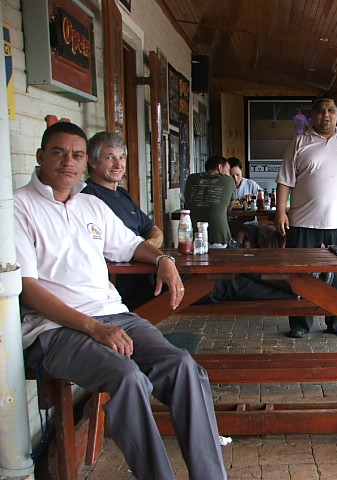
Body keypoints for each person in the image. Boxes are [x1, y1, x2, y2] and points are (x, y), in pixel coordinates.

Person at [14, 122, 227, 480]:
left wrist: (163, 260)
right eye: (58, 153)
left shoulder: (90, 205)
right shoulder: (18, 207)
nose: (68, 162)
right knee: (128, 378)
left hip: (113, 315)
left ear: (85, 162)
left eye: (76, 155)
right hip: (54, 329)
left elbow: (131, 245)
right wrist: (94, 328)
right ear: (40, 156)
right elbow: (27, 289)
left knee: (183, 368)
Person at [275, 96, 337, 338]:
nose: (326, 115)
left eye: (331, 110)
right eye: (321, 111)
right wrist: (281, 211)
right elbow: (285, 180)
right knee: (301, 275)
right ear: (313, 114)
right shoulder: (300, 141)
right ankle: (300, 324)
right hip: (303, 221)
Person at [82, 131, 162, 310]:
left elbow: (154, 229)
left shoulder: (123, 194)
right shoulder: (87, 197)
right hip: (125, 281)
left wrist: (144, 250)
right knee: (214, 286)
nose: (118, 164)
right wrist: (141, 252)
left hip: (147, 269)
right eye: (110, 157)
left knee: (213, 280)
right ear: (92, 161)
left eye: (122, 157)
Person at [184, 155, 236, 246]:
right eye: (228, 170)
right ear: (220, 167)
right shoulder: (228, 180)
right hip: (218, 237)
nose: (228, 174)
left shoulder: (191, 178)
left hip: (192, 236)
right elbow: (230, 206)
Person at [228, 156, 262, 247]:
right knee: (239, 233)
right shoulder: (225, 187)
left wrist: (253, 198)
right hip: (230, 222)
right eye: (231, 176)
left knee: (244, 237)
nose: (235, 179)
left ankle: (237, 249)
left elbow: (262, 197)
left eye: (237, 175)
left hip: (249, 223)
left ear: (242, 171)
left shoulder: (250, 184)